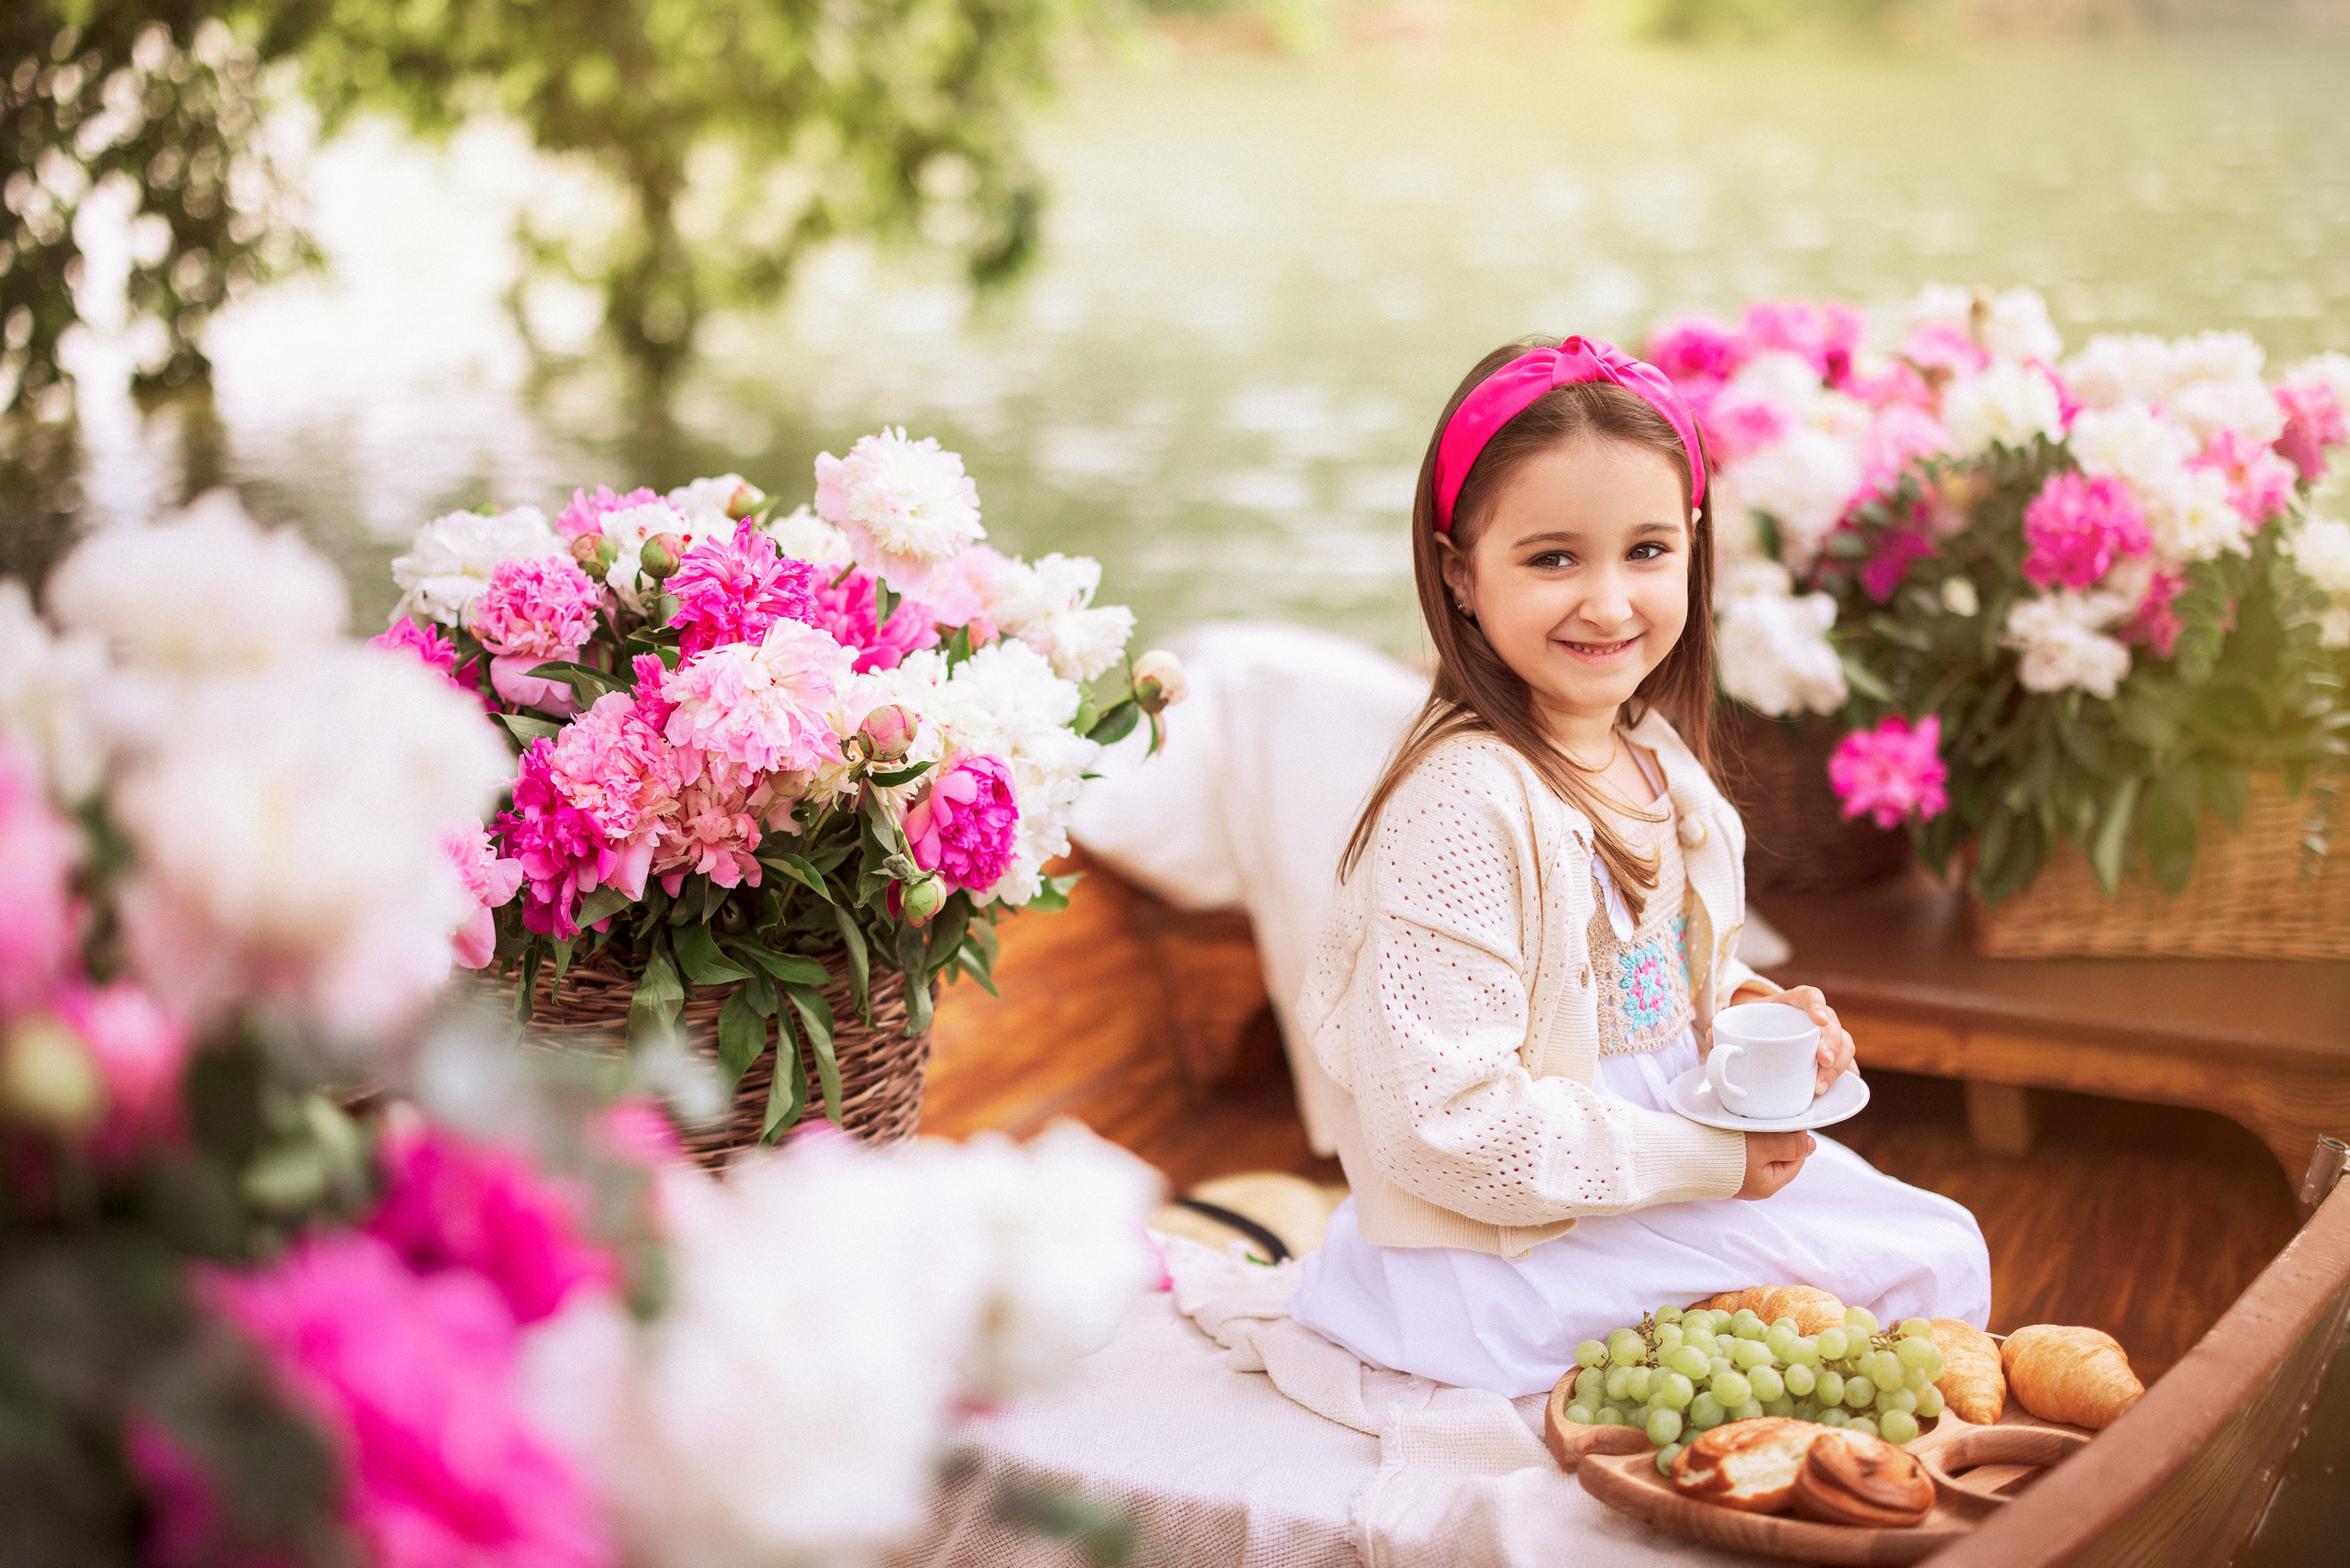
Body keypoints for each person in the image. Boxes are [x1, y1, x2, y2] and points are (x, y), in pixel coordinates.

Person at [1286, 336, 1990, 1399]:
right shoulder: (1462, 804)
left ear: (1694, 548)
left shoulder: (1650, 752)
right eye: (1553, 558)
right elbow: (1443, 1122)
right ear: (1459, 572)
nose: (1609, 603)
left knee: (1941, 1246)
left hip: (1642, 1167)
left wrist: (1752, 1016)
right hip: (1507, 1243)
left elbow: (1654, 988)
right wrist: (1709, 1163)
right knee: (1900, 1283)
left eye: (1647, 551)